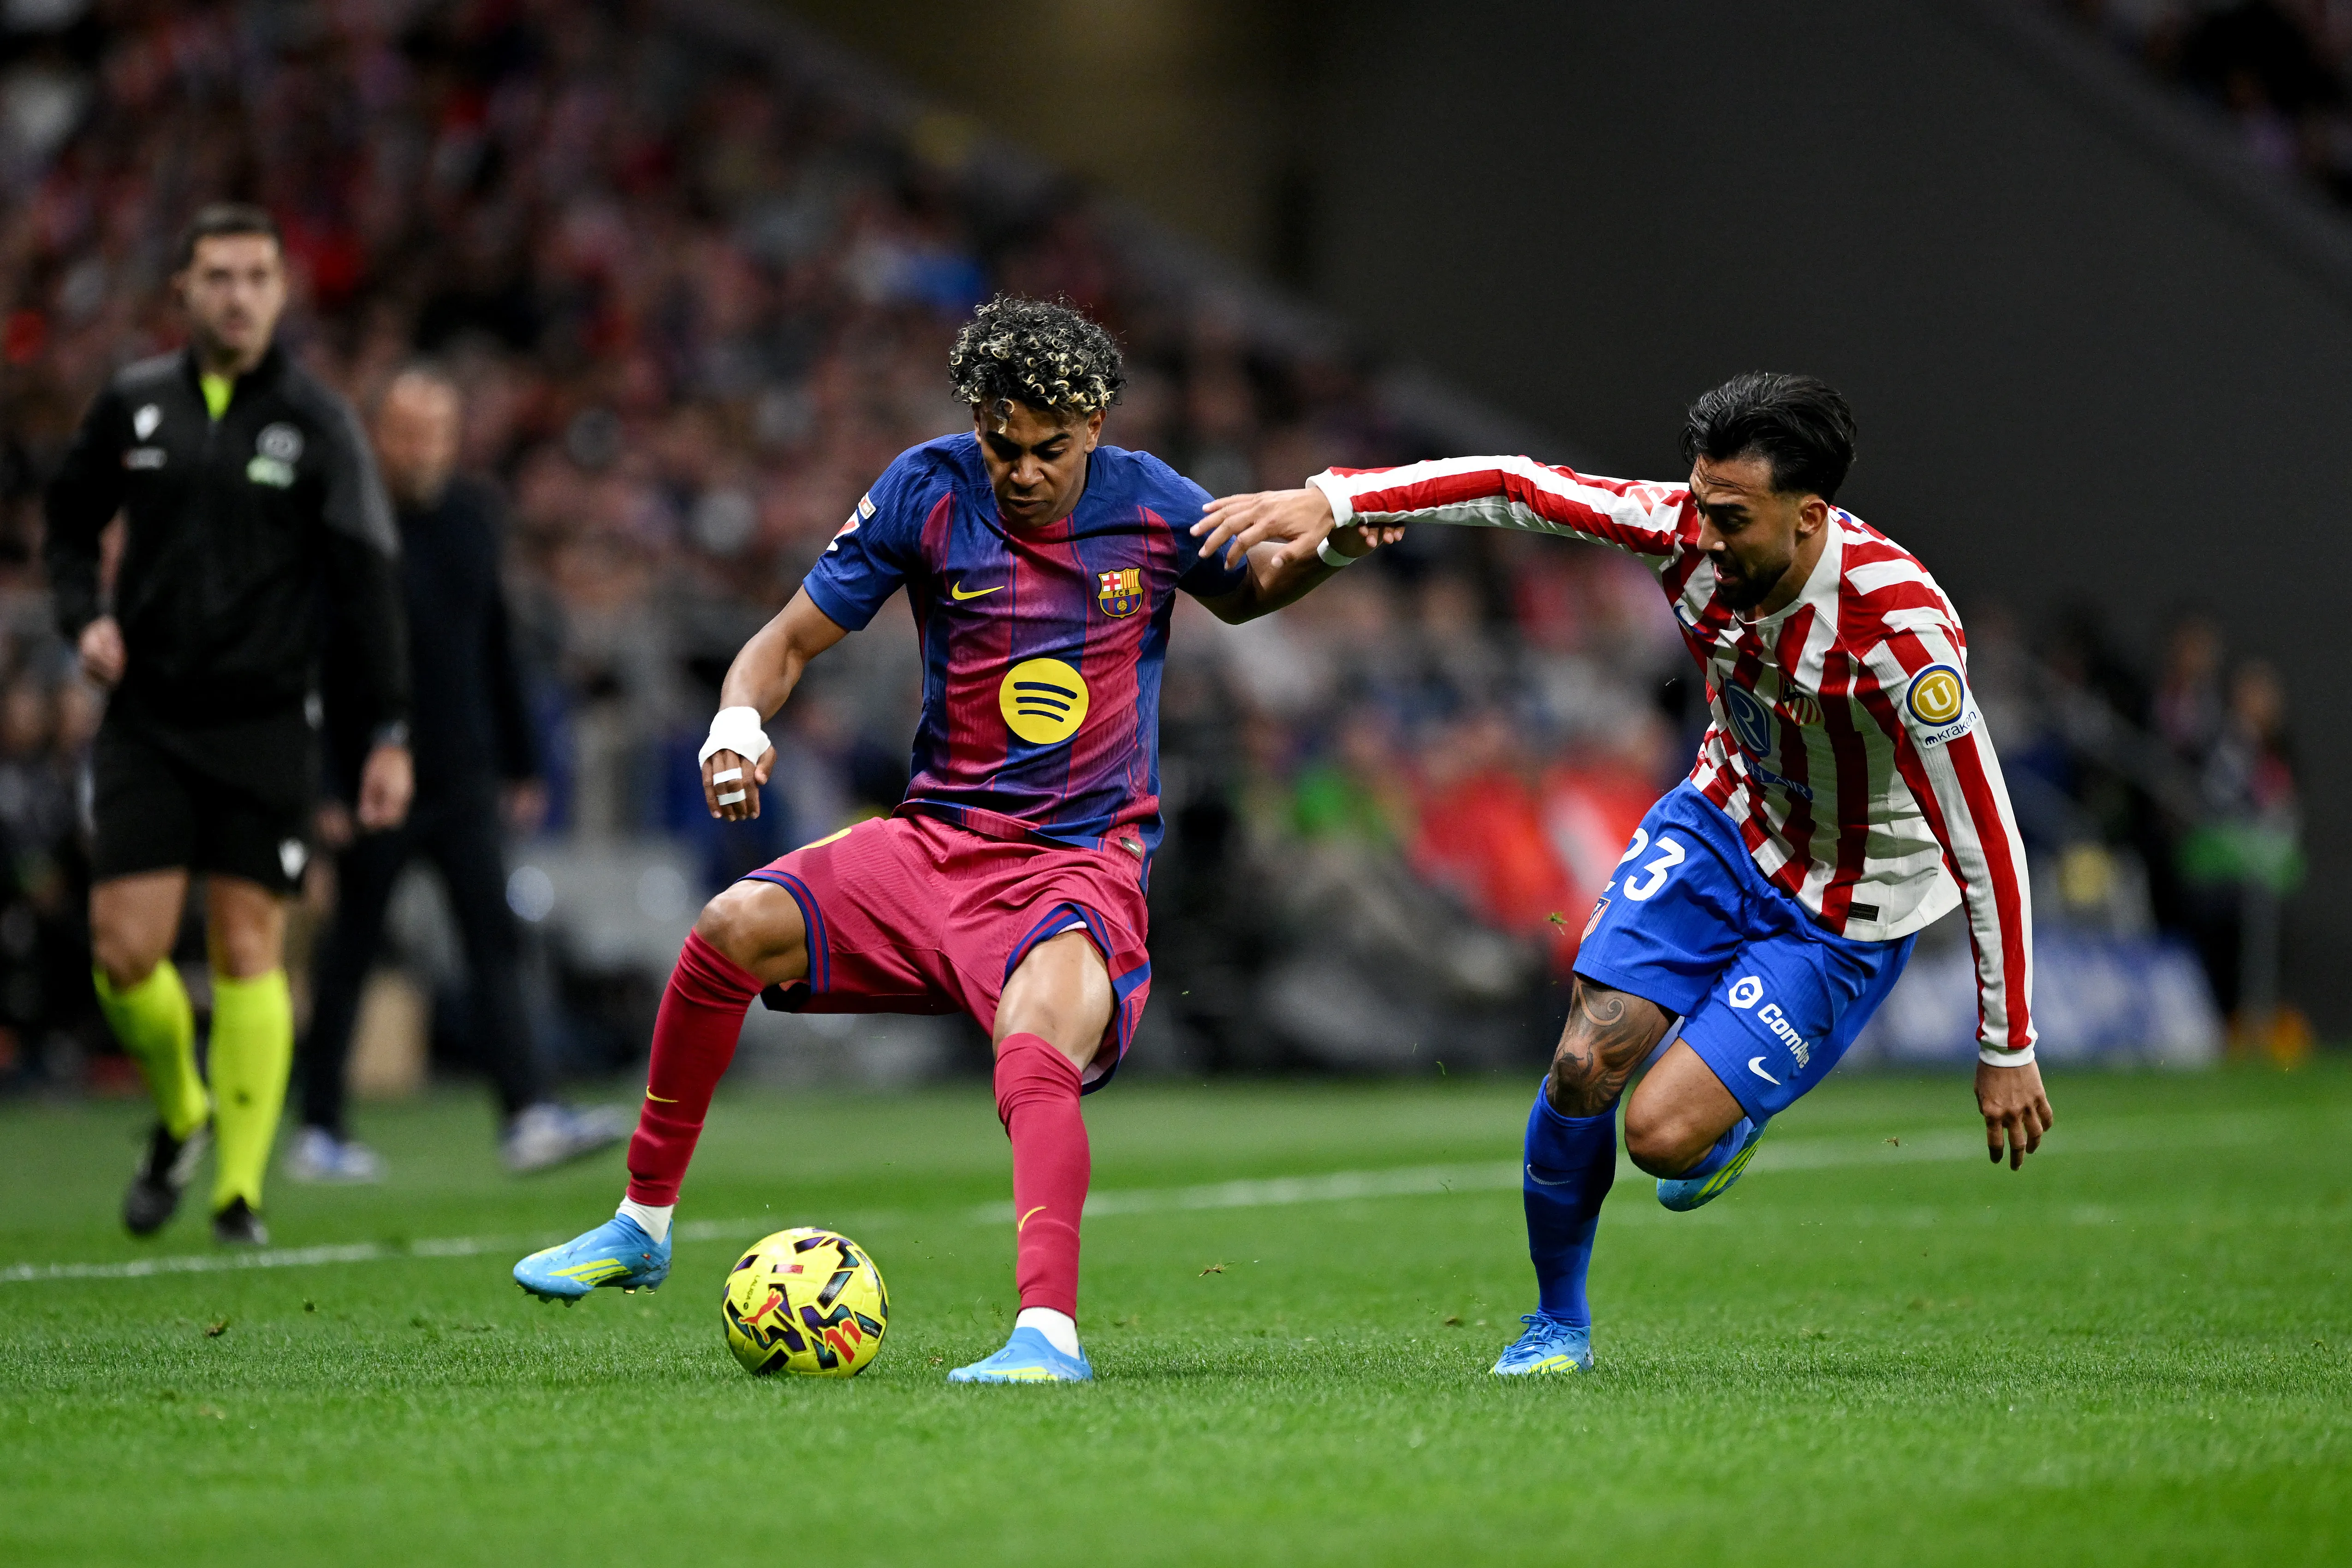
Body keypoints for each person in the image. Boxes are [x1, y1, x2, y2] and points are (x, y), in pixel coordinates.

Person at [513, 295, 1393, 1381]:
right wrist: (737, 725)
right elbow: (783, 641)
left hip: (1080, 860)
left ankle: (1046, 1334)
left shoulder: (1154, 500)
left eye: (1049, 450)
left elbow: (1252, 592)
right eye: (1002, 444)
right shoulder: (925, 489)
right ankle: (640, 1225)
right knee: (731, 926)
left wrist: (1336, 551)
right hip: (933, 846)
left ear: (1098, 424)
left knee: (1033, 1044)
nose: (1021, 470)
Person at [1198, 372, 2050, 1375]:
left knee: (1659, 1136)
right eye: (1698, 501)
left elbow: (1986, 829)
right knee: (1579, 1064)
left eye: (1731, 516)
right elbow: (1516, 484)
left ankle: (1727, 1113)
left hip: (1845, 906)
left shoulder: (1903, 632)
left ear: (1809, 516)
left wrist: (2007, 1042)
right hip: (1723, 826)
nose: (1703, 531)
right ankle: (1557, 1324)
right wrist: (1340, 500)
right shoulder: (1680, 527)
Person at [44, 203, 412, 1245]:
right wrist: (86, 618)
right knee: (124, 951)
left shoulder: (317, 418)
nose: (238, 294)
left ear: (282, 292)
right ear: (184, 291)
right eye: (218, 275)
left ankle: (238, 1194)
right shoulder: (134, 405)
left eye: (257, 275)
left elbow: (367, 577)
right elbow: (67, 527)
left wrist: (388, 728)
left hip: (263, 720)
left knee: (251, 944)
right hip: (147, 715)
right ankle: (182, 1110)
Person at [294, 367, 627, 1182]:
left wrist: (520, 757)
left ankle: (526, 1113)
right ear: (380, 435)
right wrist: (324, 785)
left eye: (439, 432)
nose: (425, 449)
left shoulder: (473, 519)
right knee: (355, 948)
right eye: (411, 432)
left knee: (496, 941)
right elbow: (312, 661)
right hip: (375, 778)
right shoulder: (343, 524)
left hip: (465, 772)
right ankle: (321, 1127)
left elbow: (494, 644)